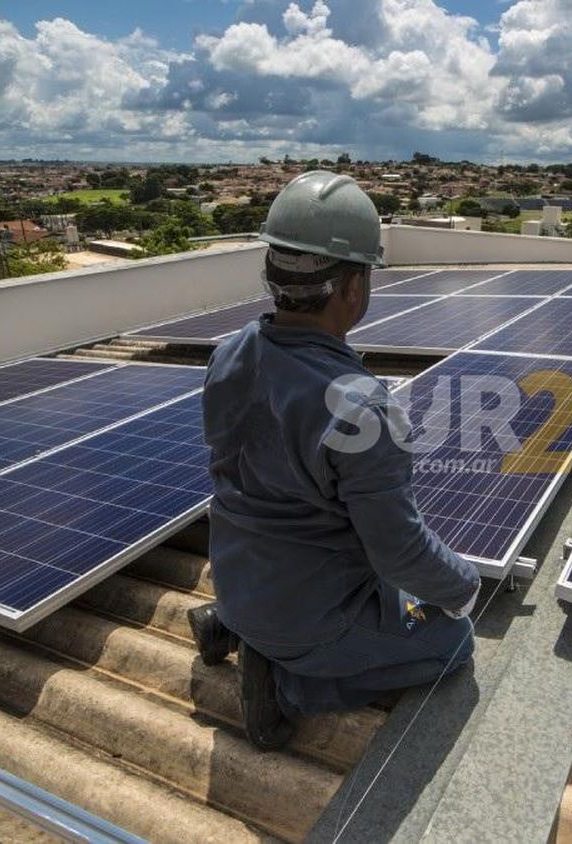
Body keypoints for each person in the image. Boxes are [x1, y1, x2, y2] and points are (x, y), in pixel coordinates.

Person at [188, 171, 481, 751]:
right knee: (453, 642)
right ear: (352, 287)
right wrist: (462, 587)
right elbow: (398, 551)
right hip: (310, 616)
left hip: (239, 578)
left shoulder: (229, 353)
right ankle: (288, 686)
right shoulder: (359, 408)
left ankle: (233, 625)